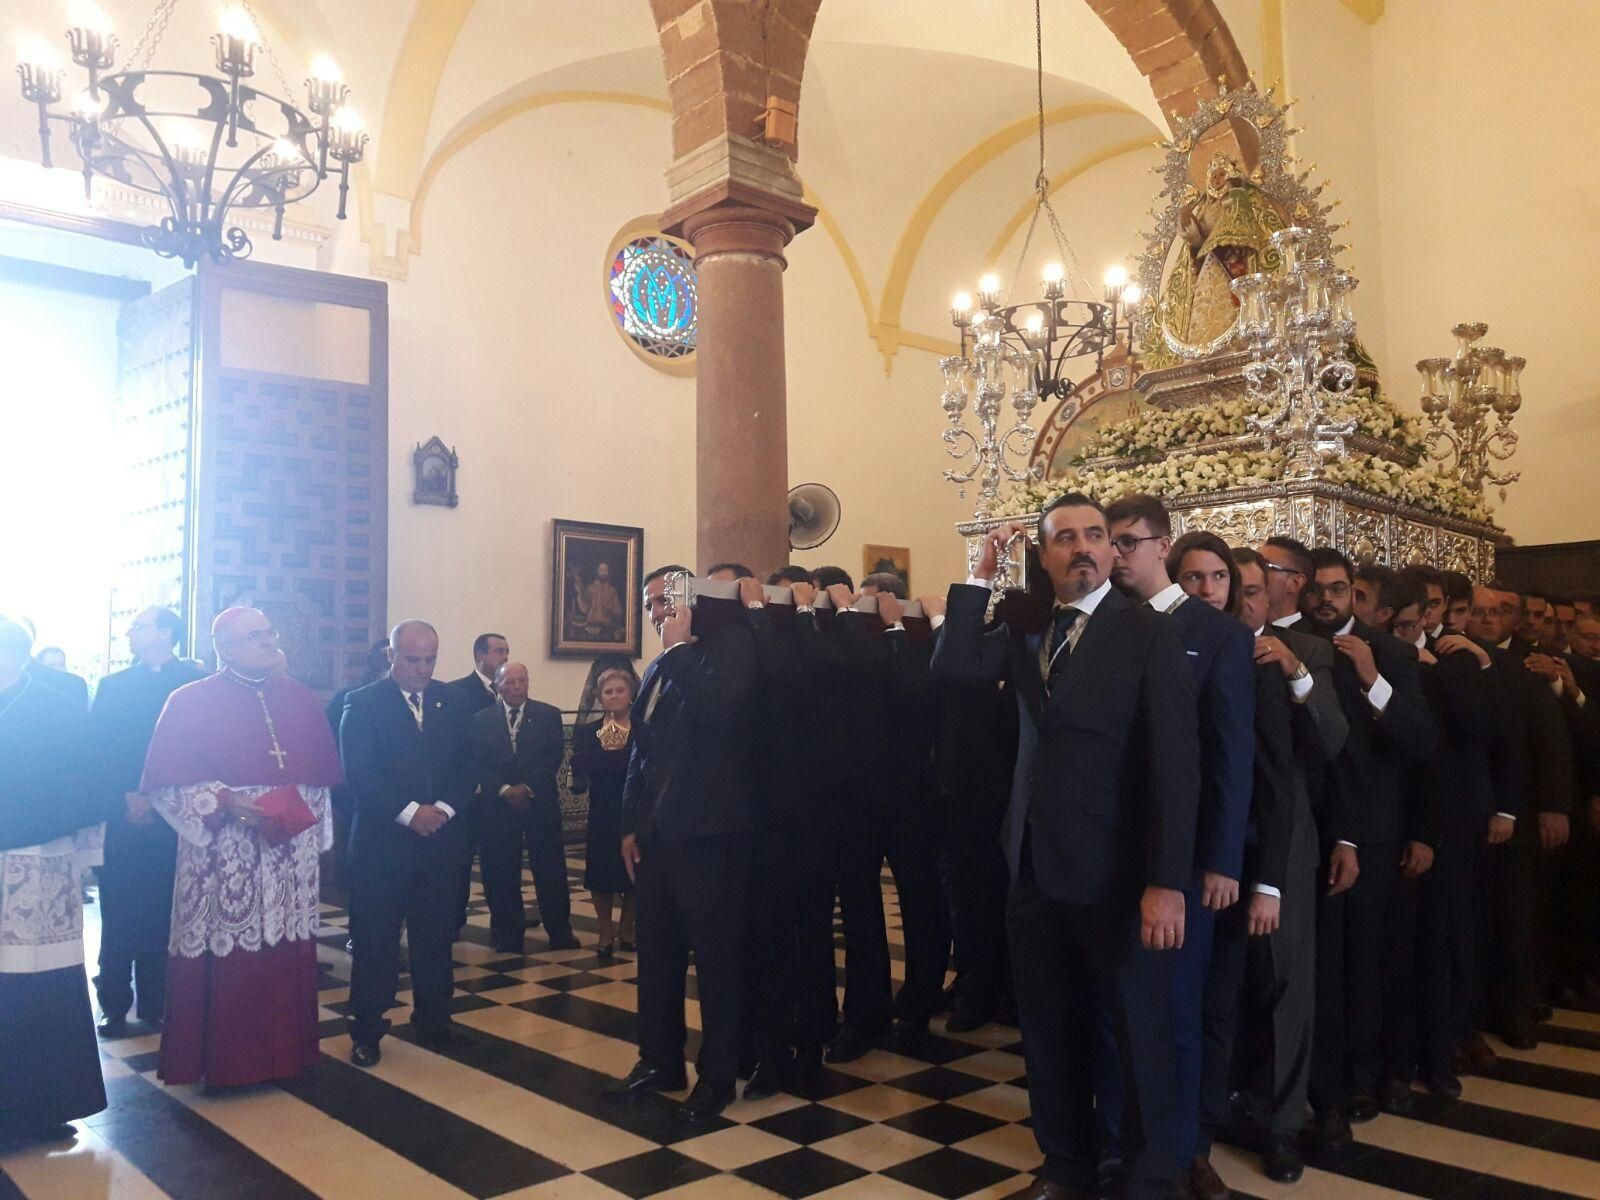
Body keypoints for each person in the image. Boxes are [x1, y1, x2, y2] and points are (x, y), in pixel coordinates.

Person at [933, 494, 1200, 1200]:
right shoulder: (1027, 629)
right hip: (1034, 868)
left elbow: (1176, 765)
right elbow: (955, 669)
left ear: (1114, 551)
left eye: (1095, 536)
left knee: (1139, 1037)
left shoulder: (1146, 633)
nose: (1082, 547)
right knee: (1048, 1034)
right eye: (1065, 538)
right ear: (1044, 555)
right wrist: (981, 574)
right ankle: (1065, 1168)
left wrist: (1167, 880)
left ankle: (1150, 1180)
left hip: (1118, 873)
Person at [1099, 503, 1254, 1200]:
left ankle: (1186, 1150)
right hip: (1112, 852)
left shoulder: (1213, 633)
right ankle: (1127, 1143)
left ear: (1161, 545)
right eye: (1110, 542)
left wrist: (1221, 857)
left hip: (1186, 859)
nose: (1115, 555)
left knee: (1177, 1013)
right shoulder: (1110, 625)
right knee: (1121, 1013)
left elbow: (1229, 753)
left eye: (1126, 542)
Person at [138, 606, 341, 1088]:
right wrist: (227, 801)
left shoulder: (301, 698)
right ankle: (228, 1064)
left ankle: (287, 1058)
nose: (269, 641)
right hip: (222, 855)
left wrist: (297, 814)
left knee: (286, 948)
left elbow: (320, 778)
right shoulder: (188, 700)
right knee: (231, 954)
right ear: (225, 648)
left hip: (287, 852)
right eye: (255, 636)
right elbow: (168, 784)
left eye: (270, 632)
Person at [606, 565, 757, 1123]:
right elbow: (640, 756)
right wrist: (627, 825)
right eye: (649, 604)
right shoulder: (662, 664)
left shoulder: (729, 647)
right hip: (656, 840)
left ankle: (717, 1075)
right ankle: (660, 1060)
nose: (656, 612)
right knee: (658, 959)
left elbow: (724, 713)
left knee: (716, 962)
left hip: (710, 836)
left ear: (695, 599)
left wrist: (680, 652)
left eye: (665, 599)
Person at [1300, 548, 1436, 1138]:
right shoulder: (1294, 645)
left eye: (1339, 589)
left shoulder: (1392, 654)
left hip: (1377, 833)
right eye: (1318, 590)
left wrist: (1374, 683)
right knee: (1324, 966)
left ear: (1355, 594)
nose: (1327, 600)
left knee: (1370, 958)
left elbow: (1424, 744)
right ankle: (1322, 1080)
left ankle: (1370, 1071)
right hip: (1311, 826)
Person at [1207, 547, 1321, 1185]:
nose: (1242, 600)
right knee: (1219, 989)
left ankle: (1280, 1128)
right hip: (1212, 852)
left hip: (1272, 848)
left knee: (1279, 989)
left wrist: (1271, 880)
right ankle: (1216, 1107)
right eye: (1232, 587)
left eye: (1252, 588)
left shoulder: (1289, 657)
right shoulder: (1193, 645)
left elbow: (1308, 761)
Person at [341, 619, 479, 1067]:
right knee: (376, 940)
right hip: (382, 846)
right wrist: (409, 813)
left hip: (440, 842)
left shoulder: (452, 700)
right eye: (413, 659)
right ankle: (367, 1028)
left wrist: (442, 810)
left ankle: (435, 1020)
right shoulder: (362, 703)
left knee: (437, 937)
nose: (423, 669)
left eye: (430, 659)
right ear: (392, 657)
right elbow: (360, 774)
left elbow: (469, 764)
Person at [0, 614, 109, 1142]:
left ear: (15, 657)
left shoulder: (60, 712)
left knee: (37, 987)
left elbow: (89, 792)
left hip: (34, 871)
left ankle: (41, 1106)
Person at [89, 606, 205, 1038]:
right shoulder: (113, 686)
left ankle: (157, 1000)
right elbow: (99, 750)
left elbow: (199, 749)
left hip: (175, 817)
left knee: (165, 910)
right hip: (124, 815)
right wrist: (127, 796)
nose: (130, 632)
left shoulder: (194, 684)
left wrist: (162, 799)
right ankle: (114, 1002)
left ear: (165, 634)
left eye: (139, 626)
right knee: (118, 910)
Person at [474, 661, 575, 953]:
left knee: (551, 870)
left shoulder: (548, 715)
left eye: (522, 681)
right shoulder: (481, 720)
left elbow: (552, 756)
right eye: (510, 682)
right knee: (501, 871)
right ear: (497, 686)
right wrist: (505, 790)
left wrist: (527, 788)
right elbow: (479, 763)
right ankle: (508, 932)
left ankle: (560, 931)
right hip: (498, 807)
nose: (517, 687)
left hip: (539, 803)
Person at [570, 667, 637, 956]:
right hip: (602, 809)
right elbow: (582, 766)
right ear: (600, 696)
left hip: (635, 809)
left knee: (634, 871)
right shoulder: (589, 731)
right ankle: (605, 930)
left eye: (619, 690)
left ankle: (627, 927)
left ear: (630, 693)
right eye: (608, 691)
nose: (613, 695)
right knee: (600, 874)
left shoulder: (643, 727)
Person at [450, 632, 509, 931]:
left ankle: (505, 921)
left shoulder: (508, 691)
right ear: (480, 656)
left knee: (499, 860)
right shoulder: (457, 692)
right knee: (460, 862)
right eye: (498, 651)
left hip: (498, 793)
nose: (504, 657)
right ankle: (453, 920)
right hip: (468, 793)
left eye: (506, 651)